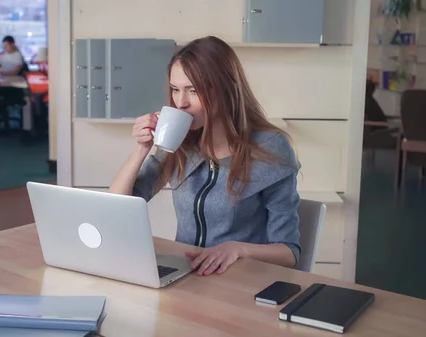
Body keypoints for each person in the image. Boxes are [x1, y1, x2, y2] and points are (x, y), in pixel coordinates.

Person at [109, 36, 301, 276]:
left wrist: (237, 249)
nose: (181, 103)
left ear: (226, 89)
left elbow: (289, 252)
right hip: (184, 274)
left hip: (242, 279)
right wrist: (141, 149)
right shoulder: (179, 143)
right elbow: (116, 207)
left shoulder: (270, 148)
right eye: (175, 89)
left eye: (193, 90)